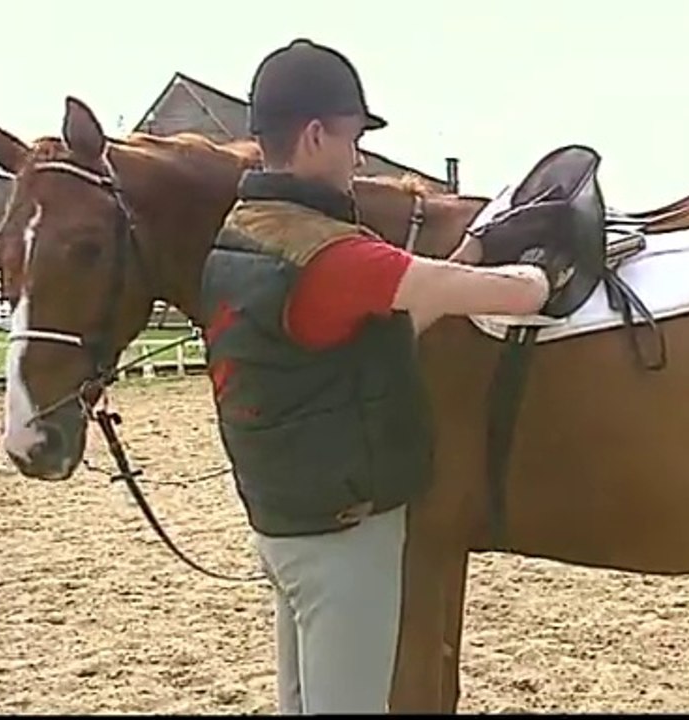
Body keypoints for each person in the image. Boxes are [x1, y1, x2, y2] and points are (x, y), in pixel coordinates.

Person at [198, 38, 568, 714]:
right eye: (352, 138)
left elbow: (368, 338)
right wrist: (540, 274)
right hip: (344, 541)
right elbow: (507, 296)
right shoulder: (334, 255)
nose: (359, 157)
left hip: (282, 525)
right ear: (315, 136)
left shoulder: (243, 235)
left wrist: (471, 248)